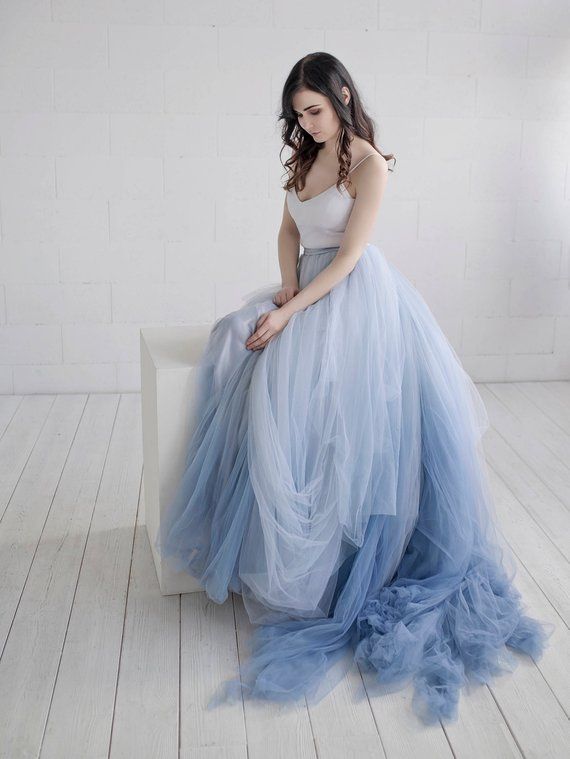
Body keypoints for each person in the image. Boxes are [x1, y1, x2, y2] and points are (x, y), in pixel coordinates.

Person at [154, 51, 554, 725]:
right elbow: (289, 226)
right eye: (298, 116)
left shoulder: (370, 165)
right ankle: (285, 549)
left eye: (314, 111)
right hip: (303, 288)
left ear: (342, 94)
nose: (307, 125)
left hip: (348, 298)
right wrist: (282, 287)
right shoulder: (305, 157)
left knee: (340, 418)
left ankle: (343, 564)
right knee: (241, 353)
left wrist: (293, 308)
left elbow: (349, 256)